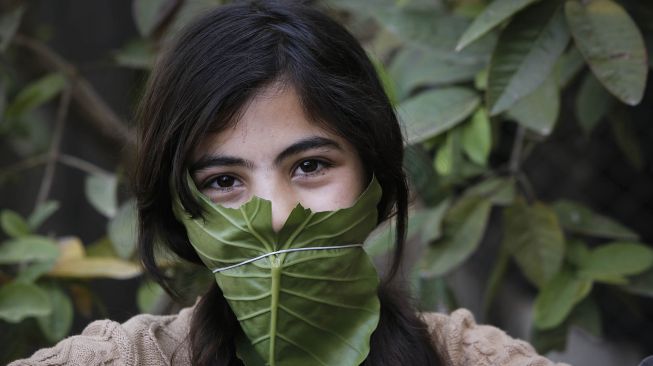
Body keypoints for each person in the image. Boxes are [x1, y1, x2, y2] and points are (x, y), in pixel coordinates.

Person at [10, 1, 569, 365]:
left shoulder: (465, 357)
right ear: (181, 209)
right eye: (224, 179)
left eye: (310, 165)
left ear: (374, 173)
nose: (275, 213)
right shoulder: (131, 358)